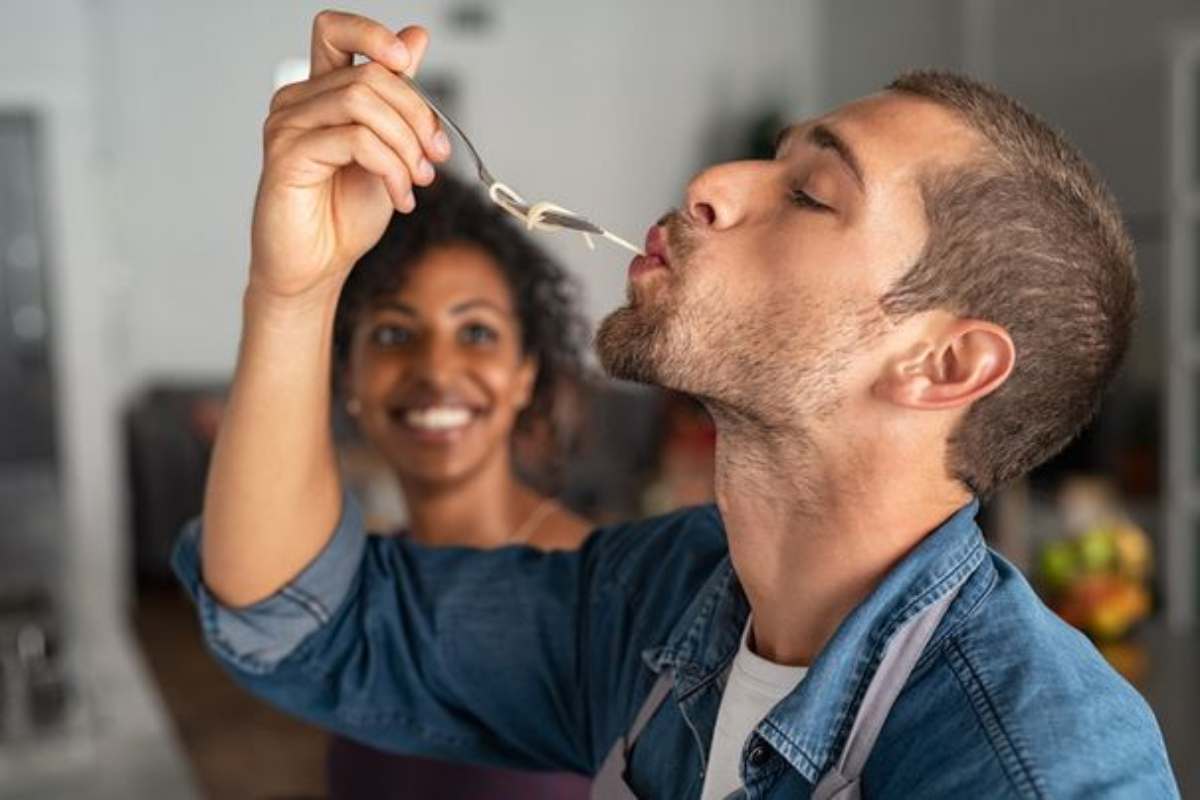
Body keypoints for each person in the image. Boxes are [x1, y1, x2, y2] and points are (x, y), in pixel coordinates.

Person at [173, 11, 1179, 799]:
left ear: (943, 362)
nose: (710, 184)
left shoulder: (1033, 760)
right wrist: (297, 288)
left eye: (811, 193)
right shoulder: (662, 597)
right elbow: (305, 620)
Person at [323, 173, 592, 797]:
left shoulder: (597, 591)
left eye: (476, 333)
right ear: (349, 378)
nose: (436, 371)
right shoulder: (360, 585)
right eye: (394, 334)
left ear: (525, 373)